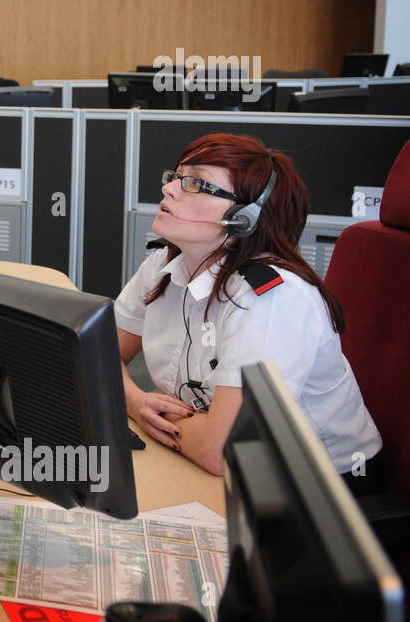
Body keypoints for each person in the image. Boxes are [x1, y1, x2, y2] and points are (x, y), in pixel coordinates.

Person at [115, 133, 383, 492]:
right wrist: (137, 402)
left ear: (245, 218)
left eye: (195, 183)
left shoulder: (272, 299)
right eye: (176, 177)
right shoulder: (164, 265)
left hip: (320, 492)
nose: (170, 190)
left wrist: (151, 412)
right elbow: (99, 357)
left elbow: (222, 450)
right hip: (212, 462)